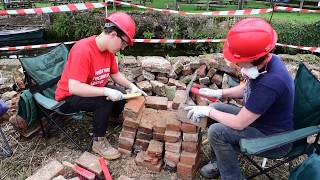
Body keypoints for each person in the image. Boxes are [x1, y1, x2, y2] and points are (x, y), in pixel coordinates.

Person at [185, 18, 294, 180]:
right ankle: (220, 163)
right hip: (260, 122)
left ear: (252, 58)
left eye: (238, 60)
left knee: (216, 131)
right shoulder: (266, 63)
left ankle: (232, 177)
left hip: (274, 139)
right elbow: (246, 88)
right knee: (217, 109)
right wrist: (219, 94)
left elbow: (239, 123)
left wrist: (207, 110)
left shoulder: (271, 82)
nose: (235, 62)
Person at [55, 12, 147, 160]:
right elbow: (74, 87)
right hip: (70, 96)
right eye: (123, 43)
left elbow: (115, 74)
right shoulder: (83, 49)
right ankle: (98, 141)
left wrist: (131, 86)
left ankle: (112, 117)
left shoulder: (109, 51)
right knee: (104, 100)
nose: (123, 48)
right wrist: (104, 90)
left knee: (120, 92)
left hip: (91, 89)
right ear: (113, 35)